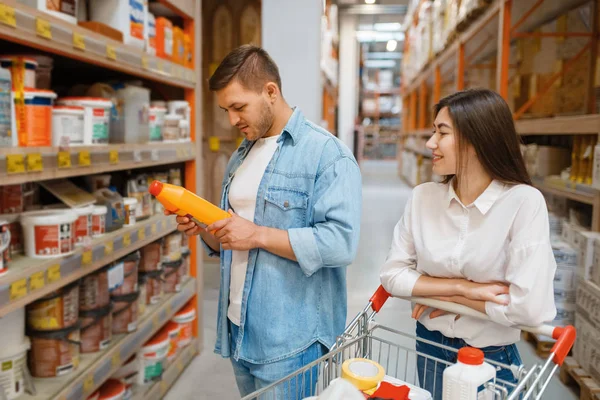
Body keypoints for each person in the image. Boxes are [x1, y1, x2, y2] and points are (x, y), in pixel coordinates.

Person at [170, 45, 362, 398]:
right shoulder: (242, 154)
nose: (232, 120)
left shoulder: (326, 155)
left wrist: (257, 234)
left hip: (289, 339)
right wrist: (205, 229)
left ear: (270, 91)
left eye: (239, 107)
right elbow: (231, 238)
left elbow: (340, 243)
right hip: (240, 329)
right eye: (226, 110)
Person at [379, 89, 557, 399]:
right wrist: (463, 288)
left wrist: (441, 295)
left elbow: (530, 309)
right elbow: (392, 276)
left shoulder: (523, 203)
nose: (430, 143)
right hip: (430, 347)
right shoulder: (423, 198)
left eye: (441, 132)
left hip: (490, 359)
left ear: (476, 141)